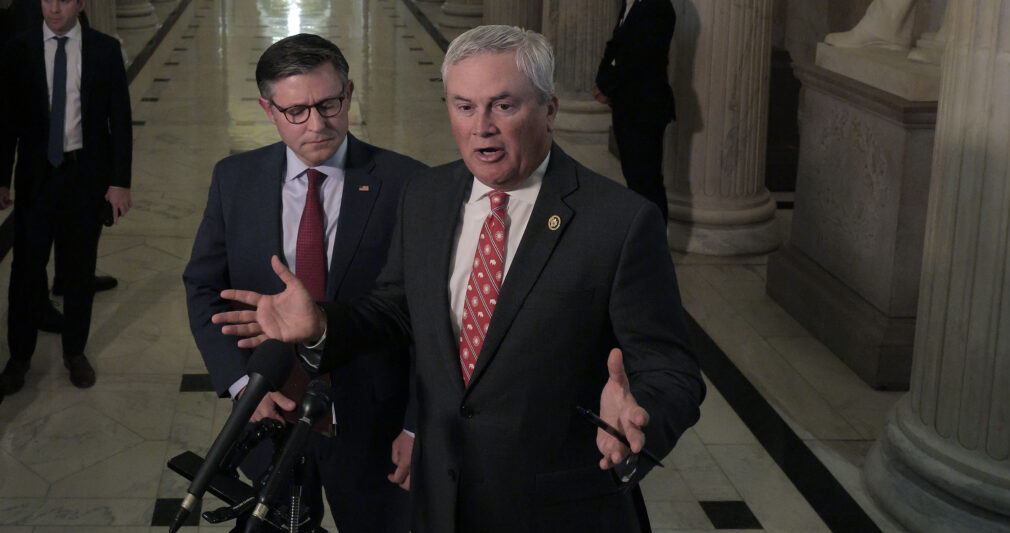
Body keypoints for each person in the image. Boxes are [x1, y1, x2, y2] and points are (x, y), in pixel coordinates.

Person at [213, 25, 705, 533]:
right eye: (464, 106)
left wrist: (640, 417)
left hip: (557, 508)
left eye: (504, 106)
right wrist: (322, 325)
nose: (481, 127)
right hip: (441, 499)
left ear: (549, 109)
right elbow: (394, 308)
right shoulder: (427, 195)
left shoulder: (620, 221)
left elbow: (672, 370)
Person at [183, 33, 422, 533]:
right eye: (296, 111)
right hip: (269, 413)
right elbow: (204, 287)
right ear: (268, 110)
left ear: (349, 94)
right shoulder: (234, 179)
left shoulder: (408, 184)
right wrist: (243, 384)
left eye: (329, 104)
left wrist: (416, 425)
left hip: (372, 423)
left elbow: (430, 320)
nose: (317, 124)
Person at [0, 0, 132, 395]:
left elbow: (120, 120)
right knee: (26, 270)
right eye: (47, 0)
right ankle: (18, 358)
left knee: (78, 271)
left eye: (63, 0)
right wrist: (1, 178)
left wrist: (119, 182)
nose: (54, 9)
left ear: (81, 4)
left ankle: (75, 352)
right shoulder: (20, 49)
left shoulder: (104, 50)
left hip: (84, 177)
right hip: (36, 178)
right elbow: (6, 120)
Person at [594, 0, 676, 224]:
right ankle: (641, 234)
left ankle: (654, 238)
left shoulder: (657, 7)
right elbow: (615, 46)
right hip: (627, 103)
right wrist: (602, 81)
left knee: (647, 181)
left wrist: (608, 86)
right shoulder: (631, 3)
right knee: (634, 176)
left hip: (645, 108)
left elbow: (640, 60)